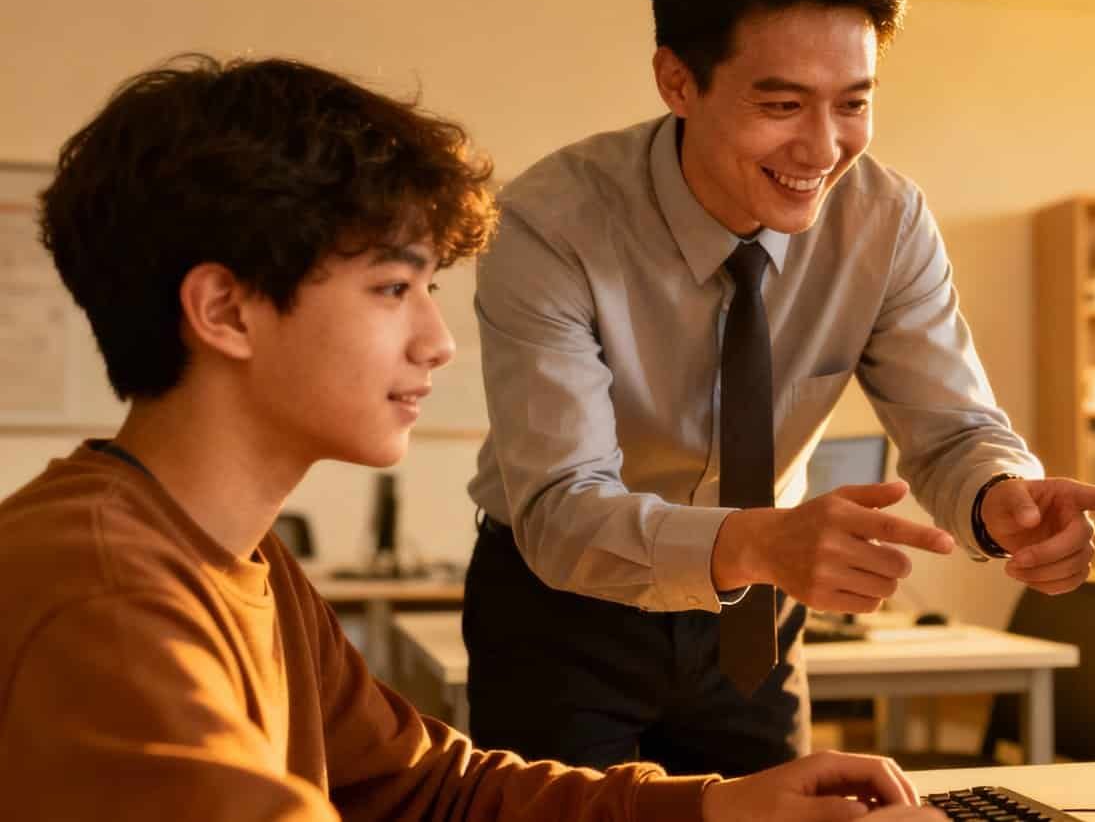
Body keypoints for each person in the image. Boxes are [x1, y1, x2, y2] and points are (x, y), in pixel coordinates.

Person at [0, 53, 943, 822]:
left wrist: (717, 810)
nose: (438, 342)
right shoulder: (103, 595)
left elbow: (425, 788)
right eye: (390, 288)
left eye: (430, 291)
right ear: (225, 311)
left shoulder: (239, 561)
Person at [464, 0, 1095, 777]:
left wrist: (997, 497)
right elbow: (562, 508)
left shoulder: (886, 221)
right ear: (678, 81)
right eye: (782, 105)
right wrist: (757, 543)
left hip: (755, 616)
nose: (824, 150)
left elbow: (954, 431)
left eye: (853, 103)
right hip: (564, 607)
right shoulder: (552, 221)